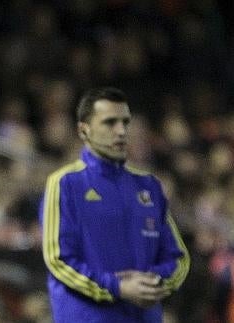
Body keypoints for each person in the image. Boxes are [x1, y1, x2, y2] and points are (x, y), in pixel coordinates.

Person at [41, 87, 190, 322]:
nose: (121, 131)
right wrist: (118, 287)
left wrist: (153, 282)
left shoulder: (148, 186)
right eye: (110, 123)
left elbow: (178, 257)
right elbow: (58, 259)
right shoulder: (65, 184)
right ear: (84, 130)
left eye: (125, 122)